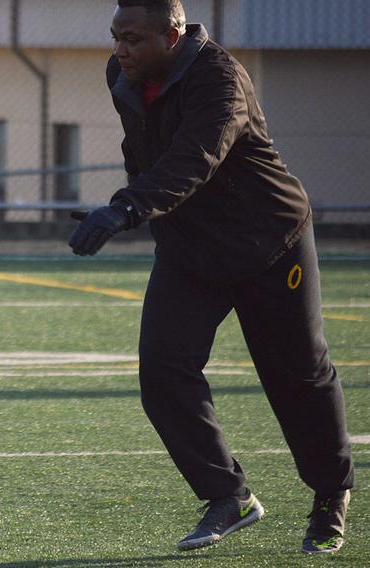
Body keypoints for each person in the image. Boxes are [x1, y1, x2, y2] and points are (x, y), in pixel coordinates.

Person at [68, 0, 354, 554]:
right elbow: (144, 153)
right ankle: (228, 496)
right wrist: (134, 205)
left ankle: (330, 496)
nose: (120, 49)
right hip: (190, 249)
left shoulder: (220, 79)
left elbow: (194, 158)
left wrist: (127, 209)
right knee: (163, 370)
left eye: (133, 38)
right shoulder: (121, 73)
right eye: (116, 37)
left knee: (299, 375)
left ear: (174, 35)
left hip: (268, 242)